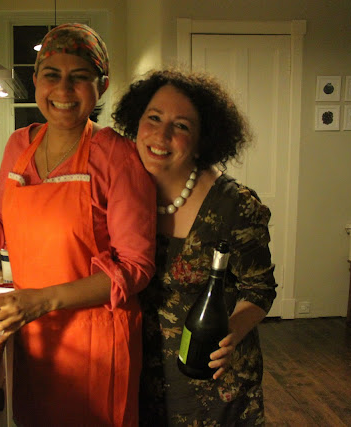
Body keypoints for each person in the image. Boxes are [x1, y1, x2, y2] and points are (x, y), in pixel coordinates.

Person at [0, 23, 156, 426]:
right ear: (35, 80)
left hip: (95, 340)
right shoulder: (19, 146)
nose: (63, 90)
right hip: (33, 333)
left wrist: (41, 300)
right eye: (51, 75)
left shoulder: (117, 156)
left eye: (80, 78)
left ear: (102, 86)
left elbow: (135, 268)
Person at [112, 68, 278, 425]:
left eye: (182, 126)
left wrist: (230, 334)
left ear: (203, 140)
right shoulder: (120, 189)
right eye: (153, 118)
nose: (161, 135)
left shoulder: (235, 205)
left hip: (213, 380)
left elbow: (260, 290)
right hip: (140, 369)